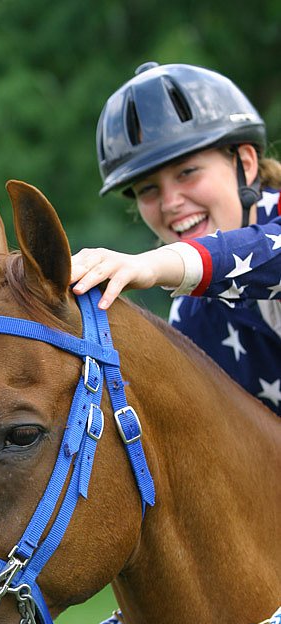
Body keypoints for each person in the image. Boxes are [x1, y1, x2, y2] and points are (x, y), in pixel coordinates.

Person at [71, 62, 281, 415]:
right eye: (149, 189)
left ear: (245, 162)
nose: (170, 203)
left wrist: (150, 265)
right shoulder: (190, 315)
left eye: (187, 172)